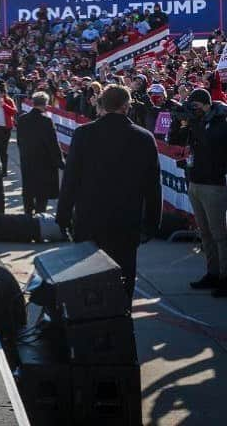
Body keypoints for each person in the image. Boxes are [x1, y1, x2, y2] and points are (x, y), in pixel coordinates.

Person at [56, 85, 162, 299]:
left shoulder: (84, 134)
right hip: (126, 222)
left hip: (89, 220)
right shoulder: (143, 138)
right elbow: (153, 186)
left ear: (102, 105)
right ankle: (121, 325)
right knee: (123, 281)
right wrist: (152, 224)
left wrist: (63, 215)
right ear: (126, 107)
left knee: (88, 284)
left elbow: (70, 180)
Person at [182, 88, 227, 297]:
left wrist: (196, 124)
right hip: (196, 181)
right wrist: (182, 122)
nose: (194, 110)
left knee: (220, 234)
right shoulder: (197, 121)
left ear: (206, 104)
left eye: (196, 106)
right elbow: (176, 138)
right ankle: (213, 273)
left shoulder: (221, 121)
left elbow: (211, 146)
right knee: (205, 233)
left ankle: (225, 277)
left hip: (214, 184)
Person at [16, 91, 64, 216]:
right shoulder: (46, 121)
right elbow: (53, 145)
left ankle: (27, 219)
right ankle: (38, 222)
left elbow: (19, 141)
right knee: (42, 197)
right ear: (46, 104)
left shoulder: (22, 119)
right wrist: (61, 163)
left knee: (28, 192)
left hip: (27, 160)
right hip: (44, 163)